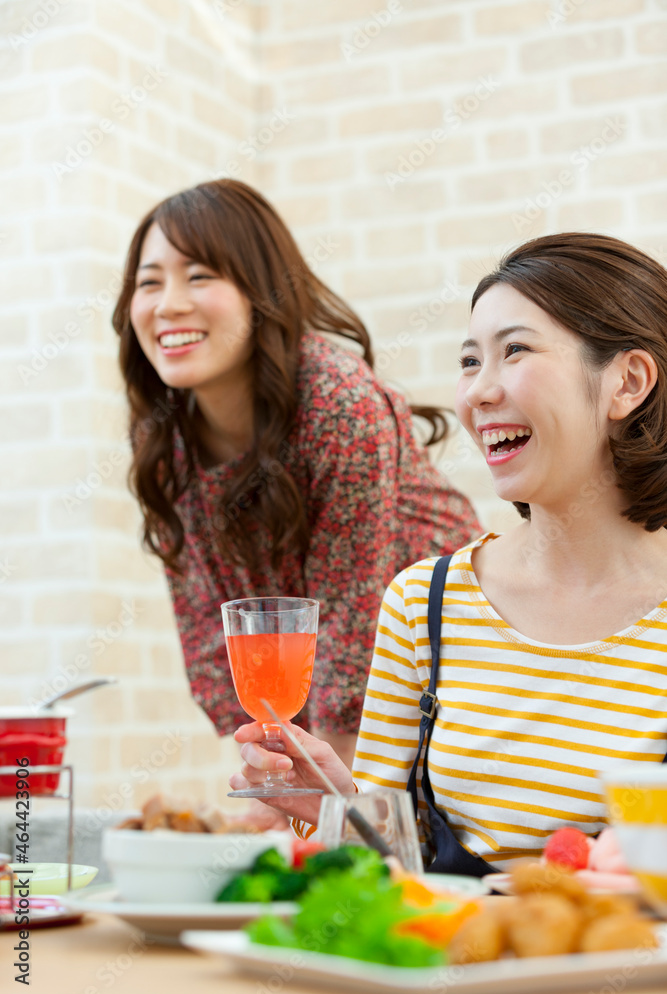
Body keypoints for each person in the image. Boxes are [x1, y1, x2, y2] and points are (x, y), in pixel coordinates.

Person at [231, 232, 667, 871]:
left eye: (514, 350)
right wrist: (329, 807)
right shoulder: (425, 603)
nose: (478, 393)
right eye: (470, 361)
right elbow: (392, 865)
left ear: (627, 382)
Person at [113, 178, 480, 767]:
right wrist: (270, 769)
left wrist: (326, 793)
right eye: (149, 282)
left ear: (260, 290)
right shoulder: (163, 431)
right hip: (320, 697)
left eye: (199, 275)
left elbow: (352, 613)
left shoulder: (339, 400)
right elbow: (205, 616)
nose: (167, 304)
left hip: (442, 667)